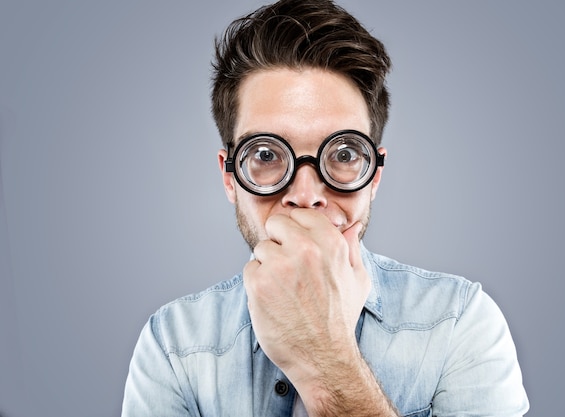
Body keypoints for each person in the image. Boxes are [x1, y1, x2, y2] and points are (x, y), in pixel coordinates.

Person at [121, 1, 529, 416]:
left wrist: (326, 359)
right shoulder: (172, 345)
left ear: (374, 175)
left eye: (344, 153)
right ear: (229, 176)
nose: (306, 193)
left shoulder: (459, 322)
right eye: (265, 154)